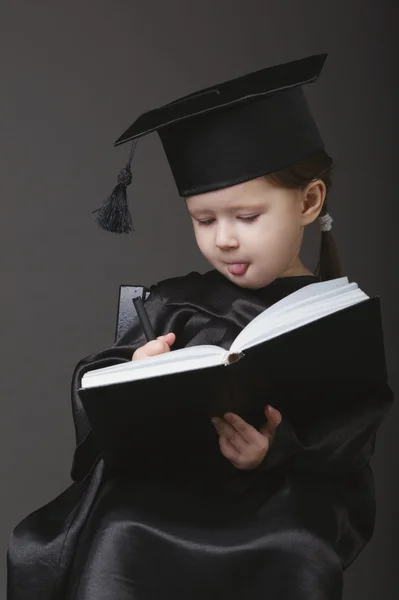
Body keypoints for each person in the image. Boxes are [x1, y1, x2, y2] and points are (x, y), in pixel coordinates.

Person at [7, 54, 394, 600]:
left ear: (309, 201)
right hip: (163, 494)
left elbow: (352, 435)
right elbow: (99, 395)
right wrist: (131, 372)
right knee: (122, 531)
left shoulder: (335, 317)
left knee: (295, 551)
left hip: (275, 505)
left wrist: (276, 446)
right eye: (204, 220)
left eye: (247, 217)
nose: (224, 240)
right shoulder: (174, 301)